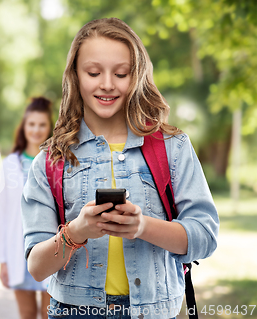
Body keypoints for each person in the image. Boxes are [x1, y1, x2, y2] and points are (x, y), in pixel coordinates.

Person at [21, 18, 219, 319]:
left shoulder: (173, 147)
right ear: (75, 75)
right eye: (93, 72)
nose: (107, 84)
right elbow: (36, 267)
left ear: (135, 75)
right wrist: (77, 231)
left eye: (121, 73)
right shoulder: (50, 161)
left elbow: (205, 235)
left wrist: (143, 227)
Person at [0, 97, 53, 319]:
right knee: (27, 314)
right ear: (24, 127)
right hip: (18, 251)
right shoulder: (9, 164)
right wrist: (3, 260)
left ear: (49, 126)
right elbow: (3, 215)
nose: (36, 130)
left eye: (42, 124)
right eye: (31, 124)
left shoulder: (56, 160)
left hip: (50, 248)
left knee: (49, 313)